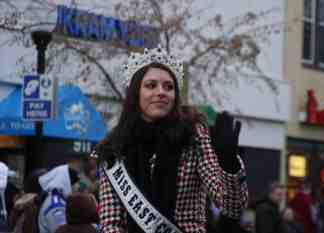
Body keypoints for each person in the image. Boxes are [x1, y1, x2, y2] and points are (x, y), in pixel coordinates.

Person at [94, 45, 249, 233]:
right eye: (151, 85)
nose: (161, 92)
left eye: (169, 87)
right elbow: (112, 223)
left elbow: (232, 207)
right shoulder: (113, 148)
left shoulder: (193, 137)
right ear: (136, 94)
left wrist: (229, 164)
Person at [37, 164, 80, 233]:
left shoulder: (56, 198)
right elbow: (61, 230)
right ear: (66, 183)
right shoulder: (57, 207)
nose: (78, 187)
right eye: (75, 183)